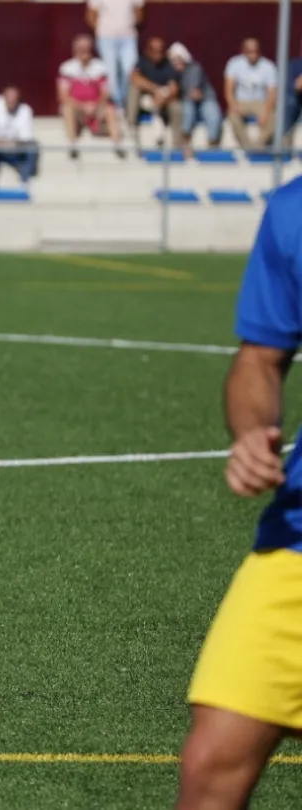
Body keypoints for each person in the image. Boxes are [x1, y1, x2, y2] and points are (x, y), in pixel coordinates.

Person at [174, 183, 302, 810]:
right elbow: (260, 360)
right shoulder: (292, 211)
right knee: (210, 766)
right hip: (297, 539)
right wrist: (252, 432)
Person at [85, 0, 145, 116]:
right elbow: (91, 13)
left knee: (129, 70)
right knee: (110, 72)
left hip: (128, 36)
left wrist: (133, 23)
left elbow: (139, 11)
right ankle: (117, 105)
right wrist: (100, 29)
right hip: (107, 37)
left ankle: (126, 101)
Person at [58, 34, 124, 160]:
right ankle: (72, 144)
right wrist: (82, 106)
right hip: (77, 107)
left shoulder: (100, 67)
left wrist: (95, 105)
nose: (84, 52)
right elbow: (63, 95)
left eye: (86, 49)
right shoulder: (67, 68)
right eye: (81, 49)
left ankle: (117, 144)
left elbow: (105, 93)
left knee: (110, 110)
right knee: (67, 108)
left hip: (97, 106)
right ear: (75, 50)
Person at [225, 37, 279, 152]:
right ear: (243, 51)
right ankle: (248, 147)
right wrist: (233, 105)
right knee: (232, 117)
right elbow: (228, 90)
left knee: (273, 118)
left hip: (260, 102)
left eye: (255, 51)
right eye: (249, 52)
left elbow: (272, 93)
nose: (253, 55)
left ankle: (258, 146)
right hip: (241, 102)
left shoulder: (268, 66)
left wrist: (266, 112)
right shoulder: (234, 64)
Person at [0, 86, 38, 187]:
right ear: (3, 98)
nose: (12, 102)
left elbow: (26, 138)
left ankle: (25, 183)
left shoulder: (25, 110)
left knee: (32, 148)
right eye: (9, 99)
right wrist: (5, 143)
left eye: (14, 100)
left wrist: (9, 143)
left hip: (16, 149)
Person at [169, 43, 222, 156]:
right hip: (188, 101)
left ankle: (213, 143)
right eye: (173, 60)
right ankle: (185, 140)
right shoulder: (173, 73)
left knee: (213, 114)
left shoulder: (194, 68)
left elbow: (194, 92)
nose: (176, 62)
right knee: (187, 110)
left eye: (178, 59)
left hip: (205, 99)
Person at [129, 35, 180, 148]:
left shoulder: (168, 64)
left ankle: (177, 144)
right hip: (146, 97)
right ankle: (131, 127)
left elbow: (174, 88)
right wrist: (155, 90)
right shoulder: (142, 61)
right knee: (133, 89)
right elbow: (134, 78)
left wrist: (163, 96)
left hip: (164, 98)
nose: (157, 54)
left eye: (160, 51)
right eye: (154, 50)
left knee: (176, 107)